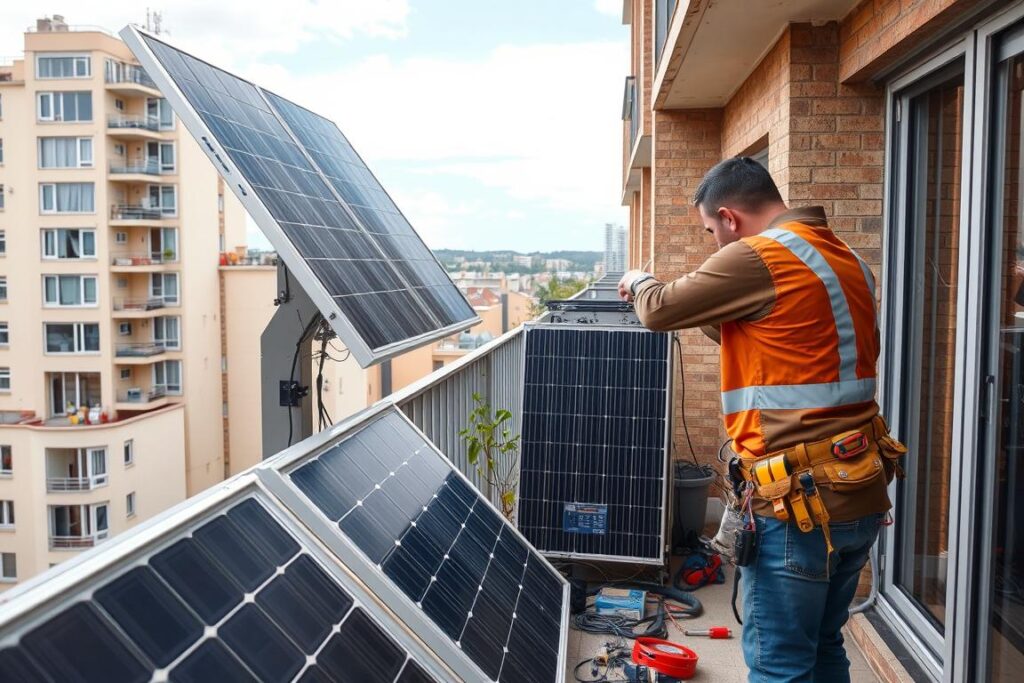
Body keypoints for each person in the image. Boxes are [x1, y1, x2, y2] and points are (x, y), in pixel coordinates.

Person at [618, 157, 904, 683]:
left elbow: (657, 309)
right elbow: (776, 339)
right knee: (821, 646)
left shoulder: (758, 254)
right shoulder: (839, 255)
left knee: (779, 665)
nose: (714, 245)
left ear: (729, 218)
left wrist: (638, 281)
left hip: (799, 505)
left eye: (710, 232)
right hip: (857, 488)